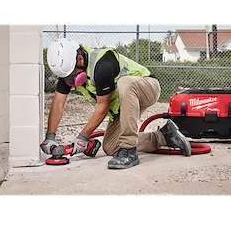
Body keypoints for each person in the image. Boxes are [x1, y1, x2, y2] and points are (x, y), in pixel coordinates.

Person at [40, 37, 191, 170]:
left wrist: (82, 137)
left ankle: (129, 151)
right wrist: (50, 137)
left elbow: (103, 106)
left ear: (80, 59)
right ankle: (165, 136)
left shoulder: (102, 64)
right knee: (111, 147)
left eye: (72, 75)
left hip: (147, 87)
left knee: (125, 83)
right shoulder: (68, 71)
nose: (71, 82)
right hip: (123, 105)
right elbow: (58, 102)